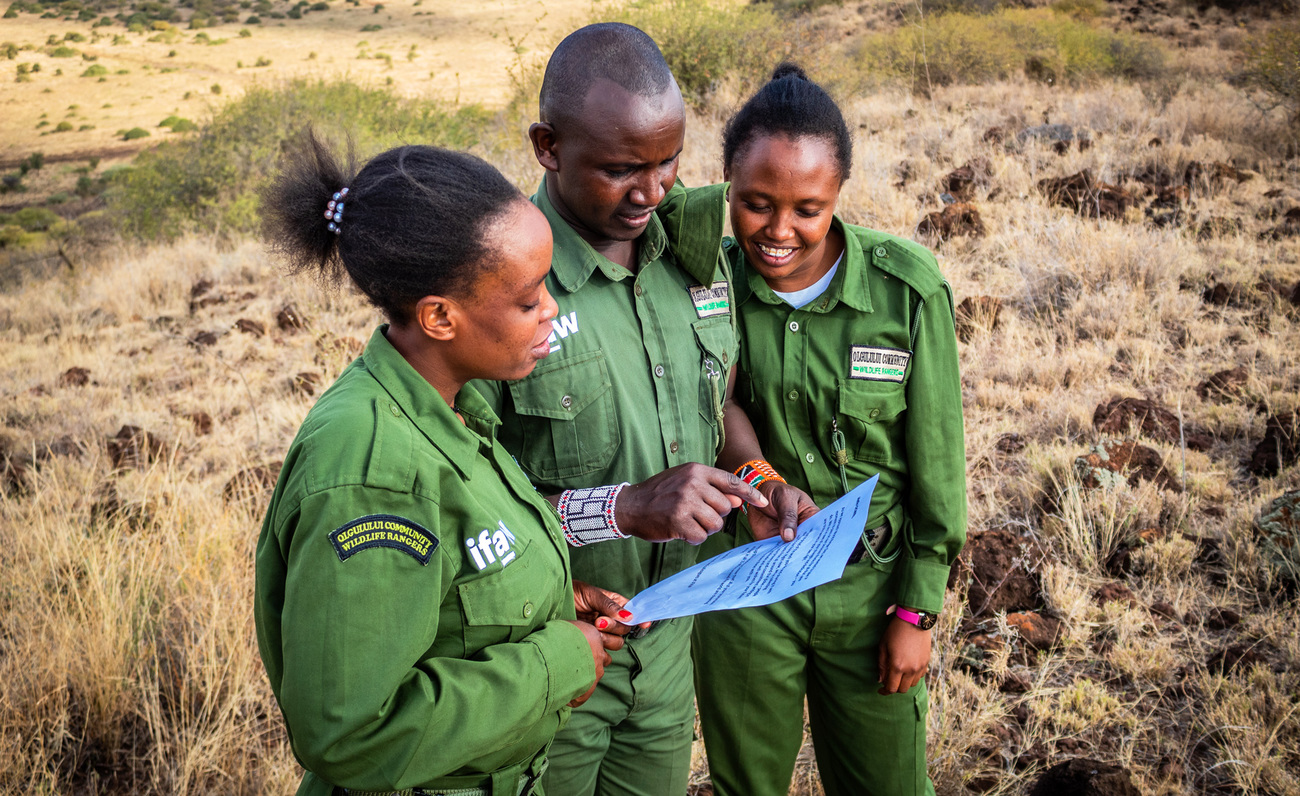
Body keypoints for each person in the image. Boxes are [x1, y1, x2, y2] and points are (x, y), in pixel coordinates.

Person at [472, 23, 817, 796]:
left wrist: (755, 479)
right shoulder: (499, 289)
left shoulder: (692, 255)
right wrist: (625, 507)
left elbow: (715, 395)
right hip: (549, 652)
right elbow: (468, 507)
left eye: (668, 163)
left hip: (665, 653)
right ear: (548, 147)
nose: (653, 193)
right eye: (624, 170)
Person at [253, 134, 637, 796]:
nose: (551, 310)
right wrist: (555, 660)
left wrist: (546, 603)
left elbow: (447, 586)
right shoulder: (373, 468)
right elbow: (351, 733)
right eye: (527, 299)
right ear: (438, 316)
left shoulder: (455, 409)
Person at [692, 64, 968, 796]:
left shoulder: (906, 290)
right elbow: (715, 404)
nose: (779, 231)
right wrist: (759, 478)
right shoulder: (706, 284)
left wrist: (917, 611)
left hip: (870, 591)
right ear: (726, 188)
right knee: (746, 784)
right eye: (754, 204)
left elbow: (938, 464)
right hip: (749, 587)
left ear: (838, 196)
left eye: (808, 209)